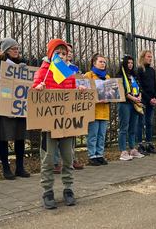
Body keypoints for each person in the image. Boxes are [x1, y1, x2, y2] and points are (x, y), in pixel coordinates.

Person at [33, 39, 77, 209]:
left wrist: (78, 93)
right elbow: (33, 96)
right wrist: (38, 89)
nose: (62, 56)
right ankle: (47, 191)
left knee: (68, 157)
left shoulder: (69, 74)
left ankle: (68, 189)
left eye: (64, 53)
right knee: (48, 158)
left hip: (67, 124)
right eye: (58, 53)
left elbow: (73, 95)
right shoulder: (42, 72)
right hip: (49, 125)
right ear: (51, 54)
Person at [0, 37, 30, 180]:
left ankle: (20, 167)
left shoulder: (23, 64)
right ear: (6, 51)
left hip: (18, 107)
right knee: (3, 137)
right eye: (13, 49)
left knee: (20, 137)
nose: (16, 51)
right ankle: (6, 168)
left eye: (17, 49)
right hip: (4, 106)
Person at [53, 43, 84, 173]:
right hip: (56, 106)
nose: (68, 54)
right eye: (65, 52)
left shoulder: (74, 68)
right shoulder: (53, 67)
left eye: (69, 52)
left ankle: (71, 159)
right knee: (54, 136)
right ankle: (55, 162)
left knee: (70, 135)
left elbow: (75, 84)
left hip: (70, 106)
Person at [117, 55, 145, 161]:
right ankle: (123, 151)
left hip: (135, 104)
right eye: (128, 63)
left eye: (132, 63)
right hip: (125, 103)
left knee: (133, 128)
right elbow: (123, 91)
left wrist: (139, 97)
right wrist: (133, 98)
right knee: (124, 127)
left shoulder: (134, 75)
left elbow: (139, 87)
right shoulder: (120, 75)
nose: (130, 65)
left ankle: (133, 149)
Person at [84, 54, 110, 166]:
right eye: (100, 61)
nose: (103, 64)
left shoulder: (107, 77)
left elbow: (112, 94)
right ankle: (92, 156)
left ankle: (99, 155)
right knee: (92, 135)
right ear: (94, 63)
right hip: (93, 110)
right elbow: (85, 94)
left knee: (101, 135)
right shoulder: (88, 75)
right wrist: (95, 100)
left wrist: (108, 99)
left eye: (104, 62)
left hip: (104, 110)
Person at [136, 50, 156, 154]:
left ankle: (149, 144)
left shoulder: (152, 70)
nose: (150, 58)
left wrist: (155, 98)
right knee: (141, 123)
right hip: (143, 100)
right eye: (148, 56)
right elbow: (140, 87)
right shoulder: (140, 69)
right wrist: (148, 98)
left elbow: (154, 85)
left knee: (149, 123)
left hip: (151, 100)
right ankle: (140, 145)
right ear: (143, 57)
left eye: (151, 56)